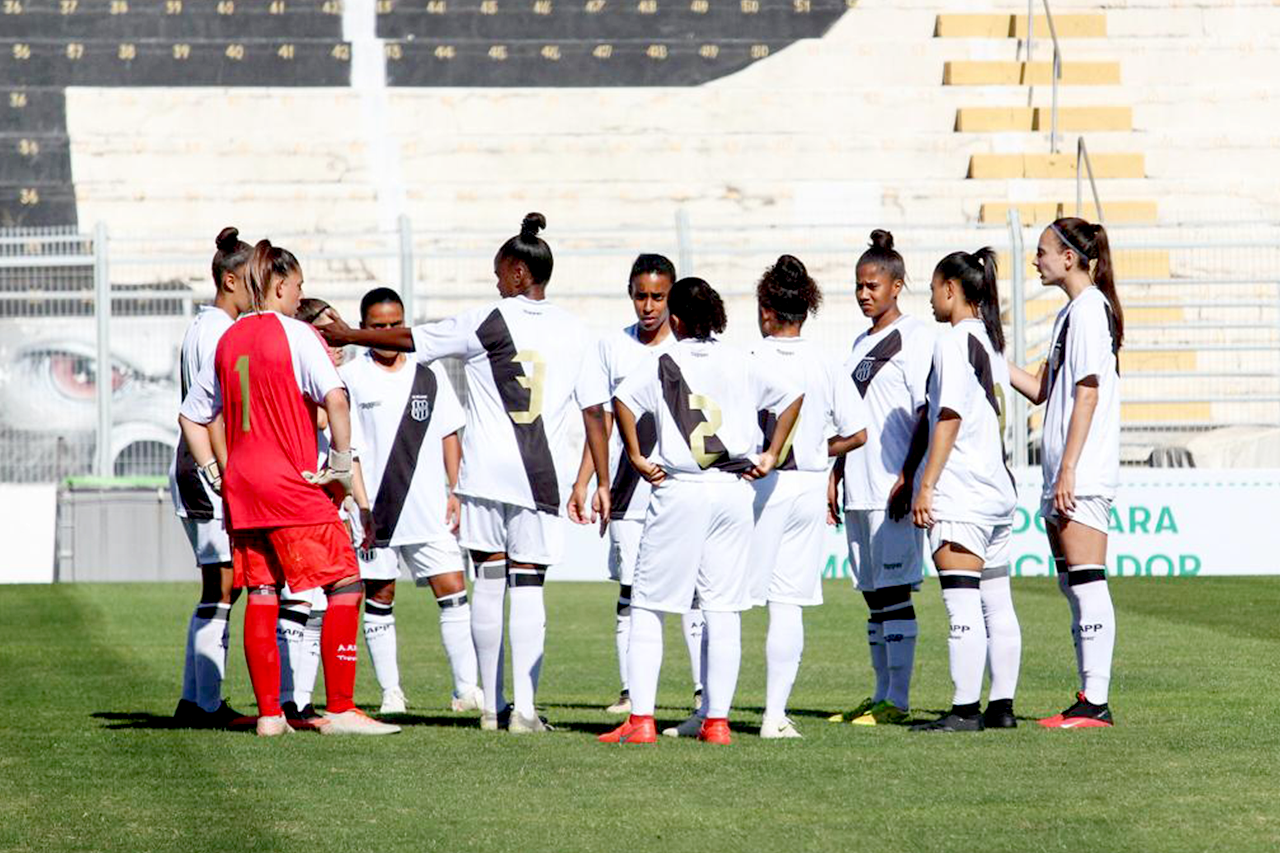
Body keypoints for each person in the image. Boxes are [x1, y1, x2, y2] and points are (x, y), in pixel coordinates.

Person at [319, 213, 610, 734]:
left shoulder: (486, 319)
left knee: (489, 587)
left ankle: (492, 708)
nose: (496, 282)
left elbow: (410, 339)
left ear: (518, 272)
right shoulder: (576, 330)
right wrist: (598, 481)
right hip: (540, 477)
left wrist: (345, 333)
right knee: (528, 588)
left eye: (499, 273)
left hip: (483, 476)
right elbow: (594, 413)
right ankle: (524, 711)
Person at [178, 239, 399, 737]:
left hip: (242, 488)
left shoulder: (229, 339)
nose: (300, 295)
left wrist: (215, 472)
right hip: (289, 484)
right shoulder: (297, 335)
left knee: (261, 590)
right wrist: (340, 464)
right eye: (298, 286)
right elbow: (336, 398)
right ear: (279, 285)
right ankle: (341, 708)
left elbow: (191, 417)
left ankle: (270, 716)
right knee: (346, 582)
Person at [598, 276, 802, 746]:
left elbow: (622, 401)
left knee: (648, 605)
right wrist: (771, 454)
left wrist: (636, 455)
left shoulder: (663, 360)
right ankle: (717, 723)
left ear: (676, 318)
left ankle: (642, 720)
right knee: (723, 609)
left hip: (682, 488)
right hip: (732, 489)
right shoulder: (741, 359)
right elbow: (792, 398)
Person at [570, 254, 706, 717]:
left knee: (693, 591)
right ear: (630, 294)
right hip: (629, 492)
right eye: (640, 296)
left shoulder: (692, 348)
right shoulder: (611, 347)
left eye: (658, 297)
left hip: (682, 489)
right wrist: (588, 482)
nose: (648, 306)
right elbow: (600, 422)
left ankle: (703, 693)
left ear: (672, 297)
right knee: (631, 592)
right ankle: (631, 692)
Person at [339, 286, 482, 715]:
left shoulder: (428, 372)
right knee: (380, 594)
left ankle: (466, 690)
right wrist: (359, 504)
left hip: (428, 507)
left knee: (453, 589)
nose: (387, 333)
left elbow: (449, 432)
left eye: (394, 325)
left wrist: (455, 489)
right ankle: (391, 693)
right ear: (363, 328)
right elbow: (351, 448)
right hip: (376, 511)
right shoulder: (351, 377)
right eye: (378, 326)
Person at [746, 255, 868, 739]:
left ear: (766, 309)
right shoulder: (825, 361)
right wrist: (818, 448)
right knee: (787, 604)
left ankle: (710, 712)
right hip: (808, 486)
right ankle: (774, 716)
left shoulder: (750, 357)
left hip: (758, 485)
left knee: (720, 598)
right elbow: (858, 433)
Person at [1009, 217, 1122, 729]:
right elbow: (1041, 390)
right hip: (1062, 470)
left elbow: (1088, 393)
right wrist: (986, 353)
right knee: (1073, 585)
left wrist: (1071, 469)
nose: (1036, 260)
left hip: (1082, 471)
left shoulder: (1091, 311)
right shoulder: (1069, 314)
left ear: (1069, 257)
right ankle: (1086, 697)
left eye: (1042, 251)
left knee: (1087, 581)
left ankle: (1095, 701)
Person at [909, 249, 1021, 733]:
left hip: (964, 491)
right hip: (996, 491)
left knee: (962, 602)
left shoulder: (953, 341)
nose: (932, 299)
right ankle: (1001, 707)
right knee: (997, 602)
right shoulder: (991, 343)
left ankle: (964, 709)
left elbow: (949, 415)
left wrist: (927, 485)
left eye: (934, 289)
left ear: (951, 289)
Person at [827, 230, 934, 727]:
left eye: (872, 285)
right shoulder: (858, 344)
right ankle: (879, 694)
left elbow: (925, 413)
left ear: (896, 285)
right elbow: (850, 419)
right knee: (873, 596)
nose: (864, 294)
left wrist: (910, 476)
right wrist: (836, 473)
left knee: (894, 592)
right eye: (859, 285)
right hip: (858, 486)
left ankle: (899, 700)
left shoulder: (916, 338)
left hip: (892, 485)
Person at [170, 227, 253, 728]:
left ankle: (195, 700)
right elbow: (211, 412)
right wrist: (223, 470)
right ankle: (204, 705)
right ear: (230, 280)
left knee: (225, 586)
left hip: (205, 468)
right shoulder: (218, 333)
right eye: (251, 280)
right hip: (205, 472)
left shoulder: (209, 326)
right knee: (220, 585)